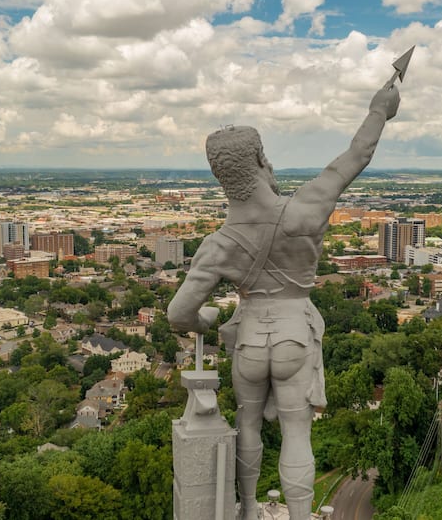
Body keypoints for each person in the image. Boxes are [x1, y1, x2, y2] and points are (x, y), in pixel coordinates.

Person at [167, 81, 400, 520]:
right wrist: (379, 110)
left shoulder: (218, 244)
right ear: (260, 161)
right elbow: (357, 157)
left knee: (248, 426)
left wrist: (206, 321)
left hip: (250, 337)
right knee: (297, 432)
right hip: (296, 334)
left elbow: (179, 314)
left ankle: (251, 509)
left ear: (221, 178)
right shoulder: (306, 208)